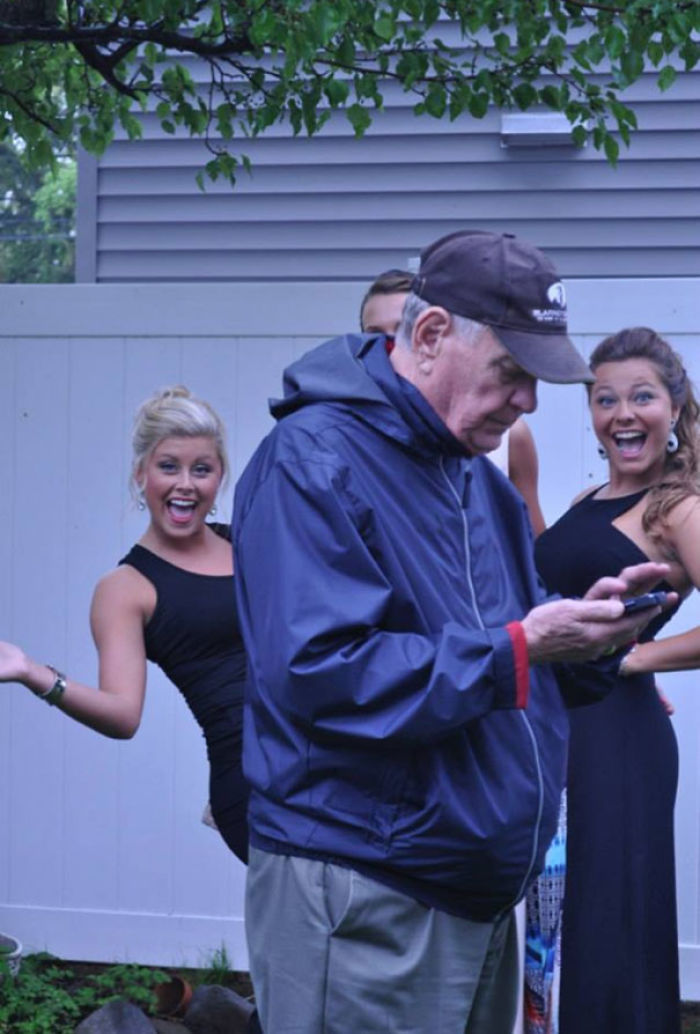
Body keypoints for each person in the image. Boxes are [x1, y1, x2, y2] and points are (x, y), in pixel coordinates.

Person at [232, 230, 672, 1034]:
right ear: (432, 334)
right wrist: (520, 647)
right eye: (512, 371)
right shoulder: (313, 460)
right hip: (368, 890)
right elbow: (319, 670)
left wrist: (595, 635)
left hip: (474, 894)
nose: (528, 401)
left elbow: (515, 652)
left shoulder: (478, 479)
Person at [0, 386, 257, 1033]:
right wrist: (33, 674)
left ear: (220, 475)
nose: (186, 483)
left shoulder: (249, 541)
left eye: (202, 468)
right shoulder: (126, 587)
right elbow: (123, 713)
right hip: (253, 783)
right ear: (141, 473)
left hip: (318, 759)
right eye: (169, 466)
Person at [535, 327, 700, 1034]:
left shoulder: (678, 507)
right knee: (556, 922)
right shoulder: (590, 498)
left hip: (619, 741)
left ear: (674, 408)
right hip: (558, 726)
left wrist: (630, 662)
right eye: (605, 400)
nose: (622, 414)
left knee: (608, 925)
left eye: (642, 397)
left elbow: (619, 641)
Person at [361, 267, 546, 534]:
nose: (389, 345)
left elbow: (530, 538)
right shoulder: (348, 436)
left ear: (429, 334)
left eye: (402, 330)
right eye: (375, 335)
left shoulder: (508, 435)